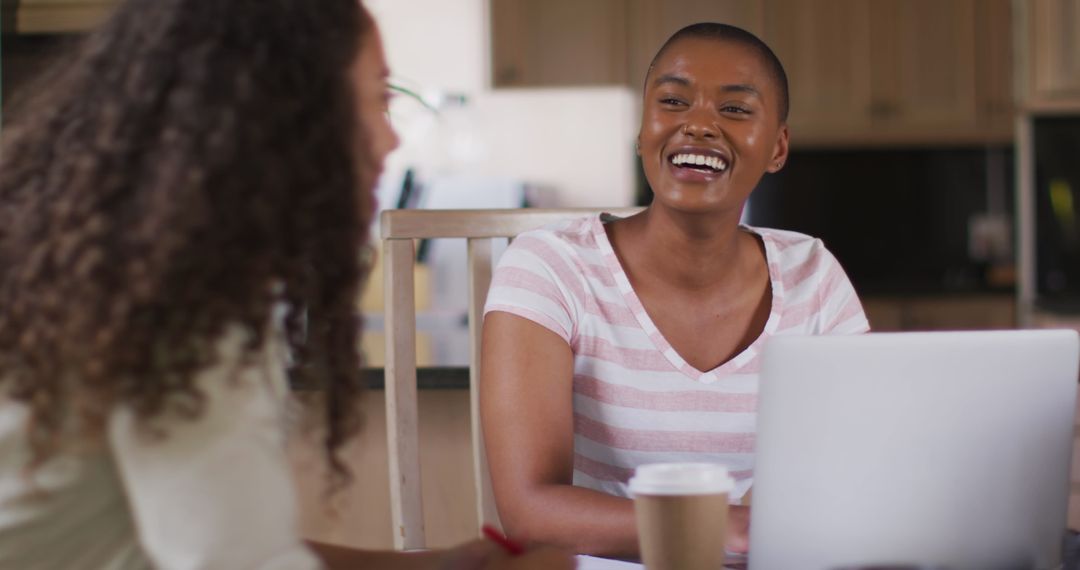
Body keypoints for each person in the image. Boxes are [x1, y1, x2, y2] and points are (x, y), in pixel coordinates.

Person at [0, 1, 574, 569]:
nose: (392, 139)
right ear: (290, 115)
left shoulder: (101, 263)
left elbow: (220, 538)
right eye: (378, 99)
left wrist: (433, 567)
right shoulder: (187, 308)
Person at [480, 23, 870, 559]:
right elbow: (529, 514)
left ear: (778, 147)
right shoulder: (550, 268)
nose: (699, 125)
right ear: (643, 131)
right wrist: (727, 529)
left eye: (734, 109)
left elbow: (857, 471)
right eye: (673, 101)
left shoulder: (813, 275)